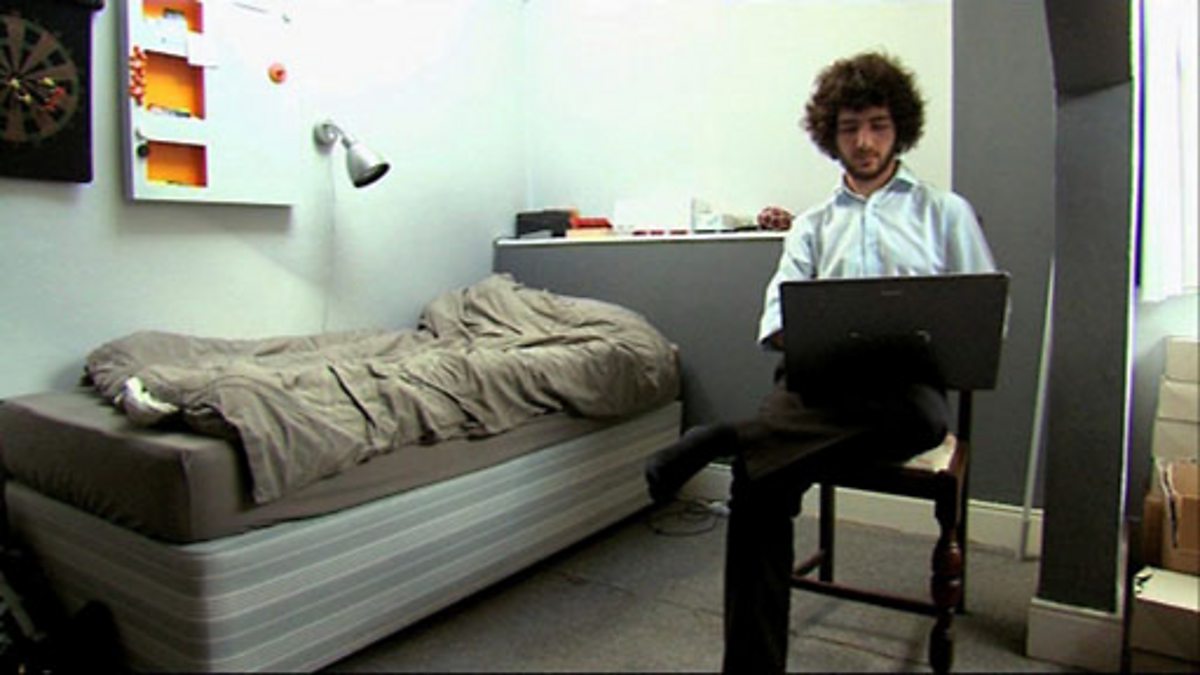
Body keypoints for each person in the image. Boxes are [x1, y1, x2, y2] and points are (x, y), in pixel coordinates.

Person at [644, 51, 997, 674]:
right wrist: (805, 335)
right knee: (759, 482)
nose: (864, 142)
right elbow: (775, 323)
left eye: (878, 125)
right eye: (850, 128)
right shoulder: (810, 227)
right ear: (830, 135)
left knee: (919, 420)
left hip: (900, 391)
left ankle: (728, 436)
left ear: (900, 128)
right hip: (819, 387)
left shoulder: (945, 213)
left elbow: (982, 316)